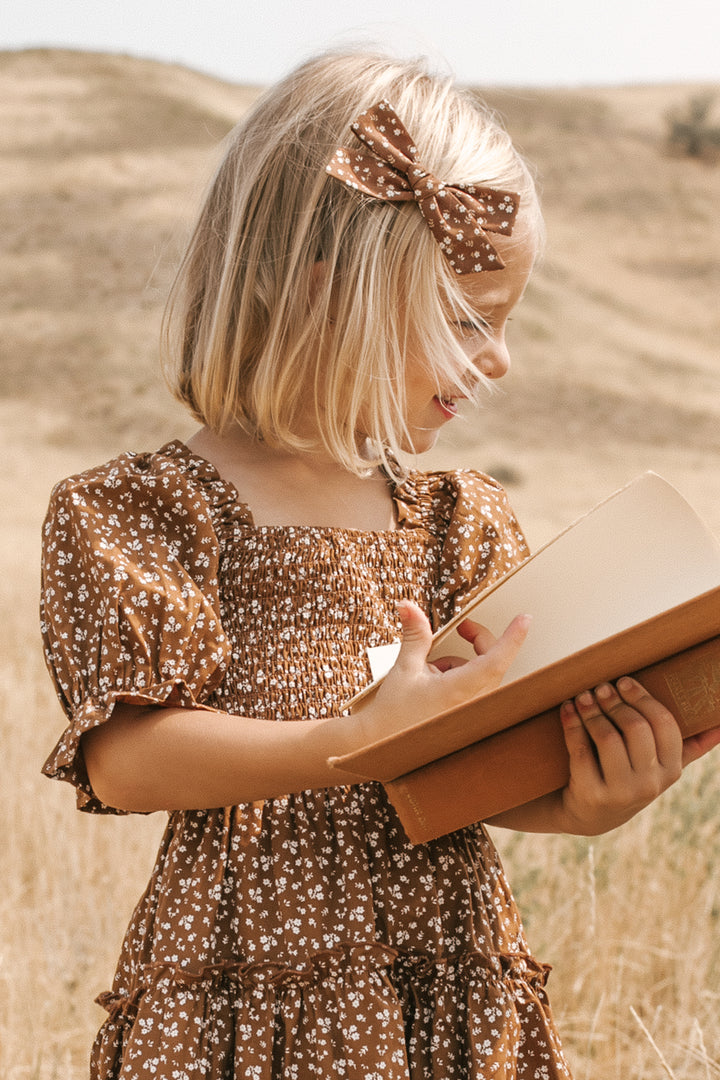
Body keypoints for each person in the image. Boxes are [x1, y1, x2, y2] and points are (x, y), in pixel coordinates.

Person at [40, 49, 720, 1079]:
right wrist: (351, 739)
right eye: (466, 319)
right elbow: (126, 761)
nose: (498, 359)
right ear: (327, 295)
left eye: (506, 322)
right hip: (239, 988)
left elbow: (467, 774)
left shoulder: (459, 524)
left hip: (443, 983)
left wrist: (585, 803)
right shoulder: (144, 514)